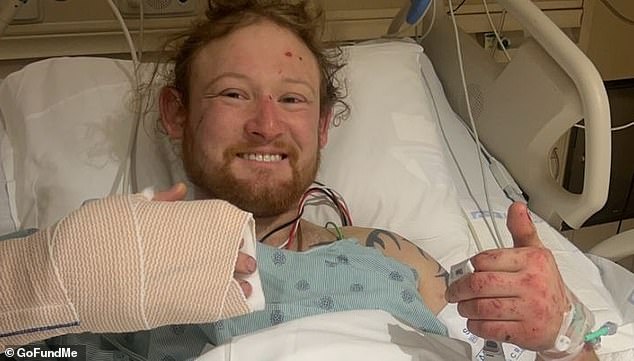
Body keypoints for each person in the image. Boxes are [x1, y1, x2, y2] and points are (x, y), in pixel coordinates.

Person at [0, 1, 598, 360]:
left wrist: (563, 334)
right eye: (234, 94)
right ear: (176, 114)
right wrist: (38, 283)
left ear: (321, 127)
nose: (266, 126)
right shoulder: (94, 260)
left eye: (291, 99)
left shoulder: (393, 259)